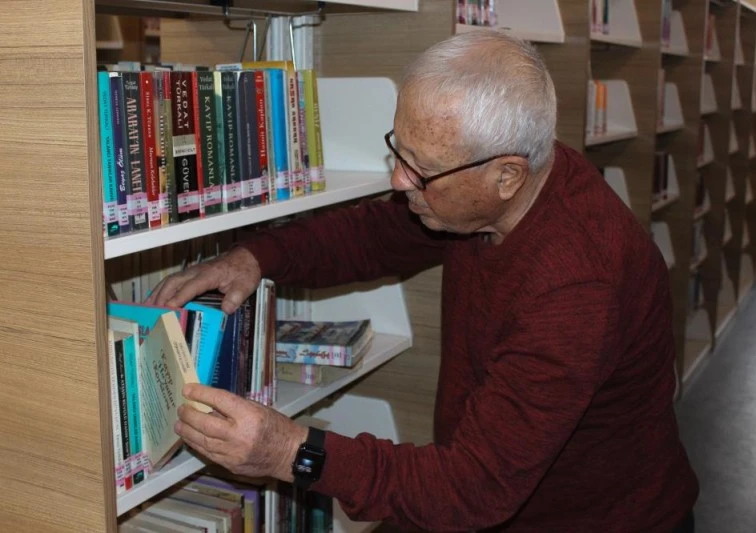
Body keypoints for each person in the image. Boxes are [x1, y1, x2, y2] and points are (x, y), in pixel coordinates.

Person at [147, 30, 699, 532]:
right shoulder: (498, 190)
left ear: (507, 175)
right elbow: (376, 234)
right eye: (399, 150)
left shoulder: (577, 286)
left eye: (421, 170)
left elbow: (475, 487)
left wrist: (288, 451)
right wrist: (255, 256)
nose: (397, 180)